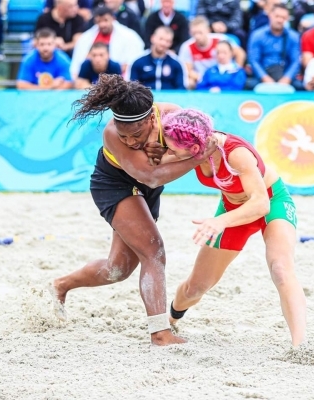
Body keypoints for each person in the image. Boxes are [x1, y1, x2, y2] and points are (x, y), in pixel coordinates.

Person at [49, 74, 218, 346]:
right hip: (114, 183)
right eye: (124, 135)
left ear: (152, 118)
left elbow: (203, 141)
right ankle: (160, 333)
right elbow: (149, 175)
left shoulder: (172, 116)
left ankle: (60, 285)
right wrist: (197, 157)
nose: (130, 141)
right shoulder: (112, 133)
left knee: (118, 269)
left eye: (136, 134)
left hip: (148, 187)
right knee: (154, 251)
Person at [153, 109, 307, 347]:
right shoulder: (187, 145)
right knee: (196, 287)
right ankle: (173, 317)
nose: (169, 152)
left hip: (270, 201)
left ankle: (300, 346)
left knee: (281, 269)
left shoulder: (236, 154)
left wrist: (220, 221)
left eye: (173, 149)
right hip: (232, 207)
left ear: (195, 148)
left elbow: (260, 204)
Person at [70, 6, 144, 77]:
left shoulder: (129, 36)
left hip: (120, 78)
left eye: (105, 20)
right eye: (99, 21)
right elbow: (77, 65)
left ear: (113, 19)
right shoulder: (85, 38)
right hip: (90, 79)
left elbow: (136, 61)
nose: (103, 24)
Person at [178, 16, 246, 89]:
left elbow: (240, 53)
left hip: (223, 74)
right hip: (201, 78)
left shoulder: (220, 39)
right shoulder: (187, 46)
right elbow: (186, 70)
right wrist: (202, 77)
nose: (197, 36)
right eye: (194, 33)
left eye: (200, 33)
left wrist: (234, 71)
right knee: (189, 82)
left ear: (208, 30)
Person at [247, 4, 301, 86]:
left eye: (283, 17)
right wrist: (264, 78)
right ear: (270, 15)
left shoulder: (293, 36)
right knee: (248, 85)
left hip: (285, 76)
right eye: (277, 16)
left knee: (300, 86)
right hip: (263, 76)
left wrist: (287, 78)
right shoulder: (257, 35)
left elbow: (295, 61)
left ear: (287, 19)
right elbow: (254, 60)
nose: (279, 20)